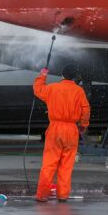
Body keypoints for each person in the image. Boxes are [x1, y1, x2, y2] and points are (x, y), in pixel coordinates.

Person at [33, 64, 90, 202]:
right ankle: (63, 195)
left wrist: (42, 75)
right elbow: (86, 109)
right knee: (66, 165)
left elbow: (38, 90)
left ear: (62, 75)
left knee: (49, 163)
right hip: (71, 130)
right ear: (75, 77)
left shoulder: (53, 88)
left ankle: (42, 195)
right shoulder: (79, 91)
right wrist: (83, 125)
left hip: (55, 129)